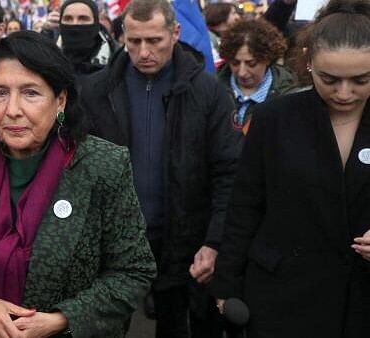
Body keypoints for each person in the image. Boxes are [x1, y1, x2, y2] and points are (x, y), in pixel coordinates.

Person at [0, 30, 157, 338]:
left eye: (31, 93)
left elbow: (133, 271)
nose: (13, 110)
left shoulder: (104, 165)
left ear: (59, 100)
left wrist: (60, 320)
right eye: (0, 93)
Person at [80, 0, 240, 337]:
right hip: (113, 244)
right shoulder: (97, 90)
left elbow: (228, 173)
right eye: (135, 41)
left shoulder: (208, 93)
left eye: (154, 41)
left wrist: (214, 242)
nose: (144, 51)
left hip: (186, 244)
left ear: (175, 33)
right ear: (122, 36)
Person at [211, 0, 370, 337]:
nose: (344, 93)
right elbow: (245, 204)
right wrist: (227, 284)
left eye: (360, 79)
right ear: (309, 61)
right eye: (330, 79)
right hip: (283, 296)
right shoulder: (274, 118)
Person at [216, 18, 295, 135]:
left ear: (268, 59)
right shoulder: (212, 88)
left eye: (251, 64)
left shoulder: (290, 93)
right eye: (235, 63)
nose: (242, 72)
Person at [42, 0, 117, 76]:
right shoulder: (47, 57)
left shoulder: (117, 59)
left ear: (95, 23)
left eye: (83, 19)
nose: (75, 24)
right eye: (68, 19)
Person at [203, 2, 240, 69]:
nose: (238, 17)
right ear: (221, 16)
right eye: (233, 13)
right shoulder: (208, 39)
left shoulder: (234, 36)